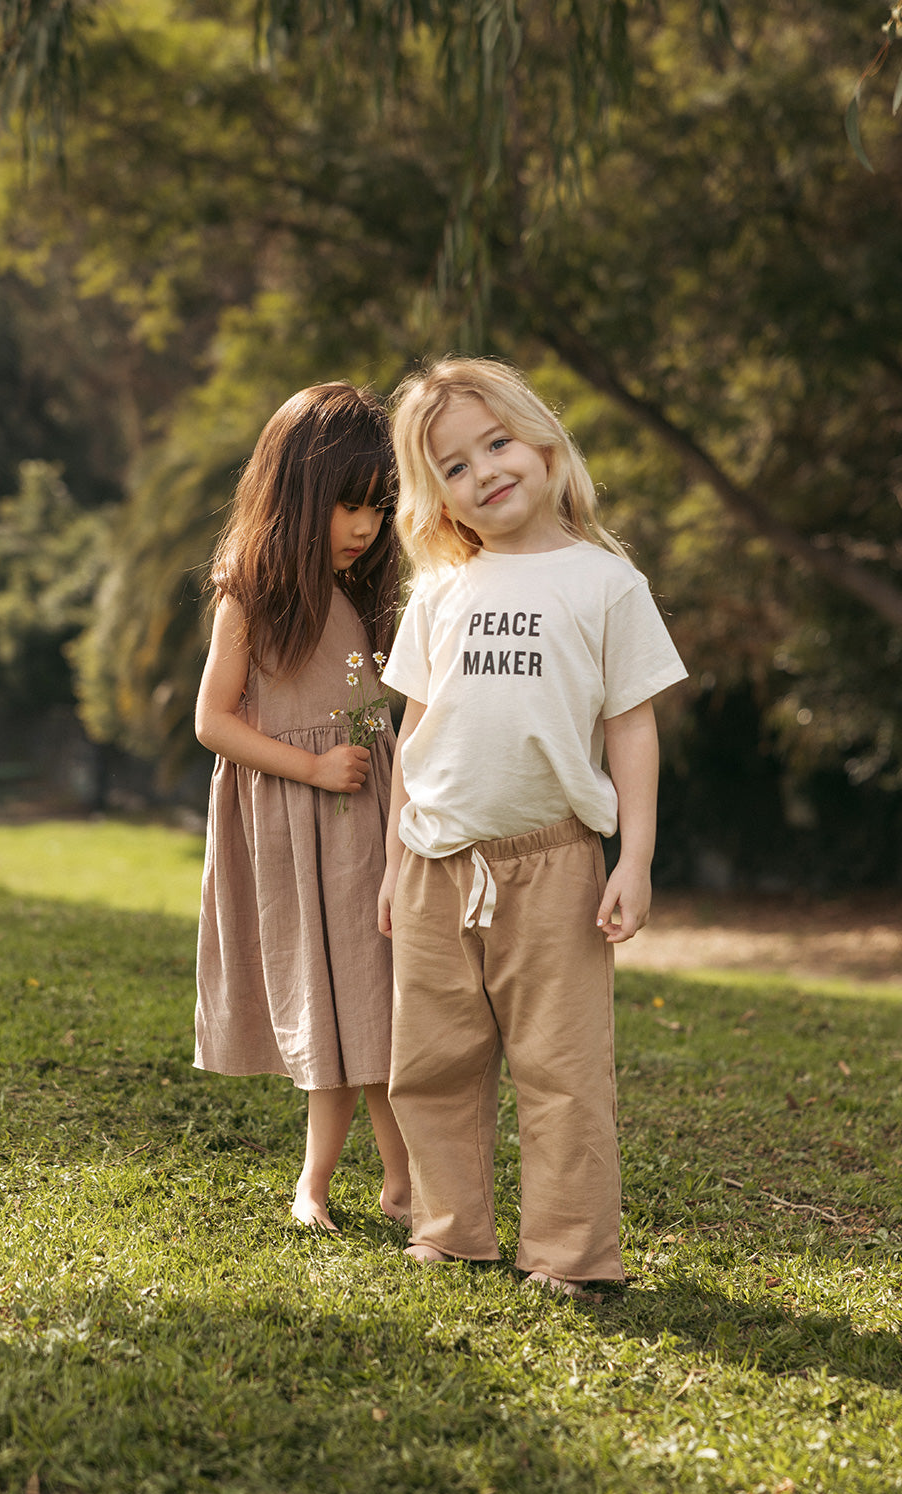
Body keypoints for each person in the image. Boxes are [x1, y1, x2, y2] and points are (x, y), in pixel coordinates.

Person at [377, 356, 687, 1296]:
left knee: (562, 1070)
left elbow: (632, 726)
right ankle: (449, 1227)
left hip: (554, 863)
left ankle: (569, 1252)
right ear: (440, 499)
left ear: (545, 442)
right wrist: (395, 864)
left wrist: (632, 859)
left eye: (497, 444)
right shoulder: (438, 593)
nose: (485, 472)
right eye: (456, 468)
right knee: (431, 1063)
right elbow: (412, 738)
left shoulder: (605, 584)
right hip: (436, 862)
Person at [195, 382, 410, 1232]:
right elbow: (213, 722)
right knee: (325, 1000)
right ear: (296, 495)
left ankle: (400, 1183)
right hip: (295, 822)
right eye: (347, 505)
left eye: (377, 507)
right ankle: (313, 1185)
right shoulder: (249, 592)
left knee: (380, 1000)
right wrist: (311, 770)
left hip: (371, 822)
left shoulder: (368, 591)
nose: (363, 526)